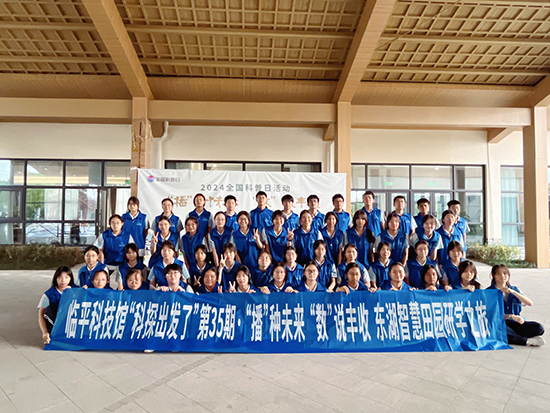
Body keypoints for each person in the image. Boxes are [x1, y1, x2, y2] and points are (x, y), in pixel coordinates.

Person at [487, 264, 545, 347]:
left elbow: (529, 303)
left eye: (505, 273)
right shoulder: (488, 292)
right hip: (498, 323)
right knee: (497, 331)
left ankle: (517, 335)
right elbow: (490, 315)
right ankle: (526, 340)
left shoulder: (515, 289)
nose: (502, 276)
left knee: (539, 328)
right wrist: (510, 316)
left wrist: (513, 292)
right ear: (493, 275)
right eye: (499, 274)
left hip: (515, 322)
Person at [38, 266, 75, 344]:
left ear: (70, 278)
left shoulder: (76, 290)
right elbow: (41, 315)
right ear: (55, 278)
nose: (63, 280)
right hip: (55, 323)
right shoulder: (48, 295)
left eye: (66, 277)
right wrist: (44, 332)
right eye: (59, 277)